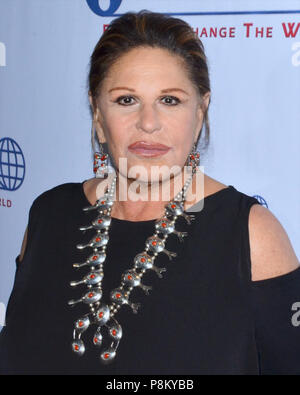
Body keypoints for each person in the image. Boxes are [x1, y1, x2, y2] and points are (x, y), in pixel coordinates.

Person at [0, 10, 299, 375]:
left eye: (169, 100)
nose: (148, 122)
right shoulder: (48, 214)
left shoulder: (251, 234)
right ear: (97, 113)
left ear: (200, 112)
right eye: (126, 100)